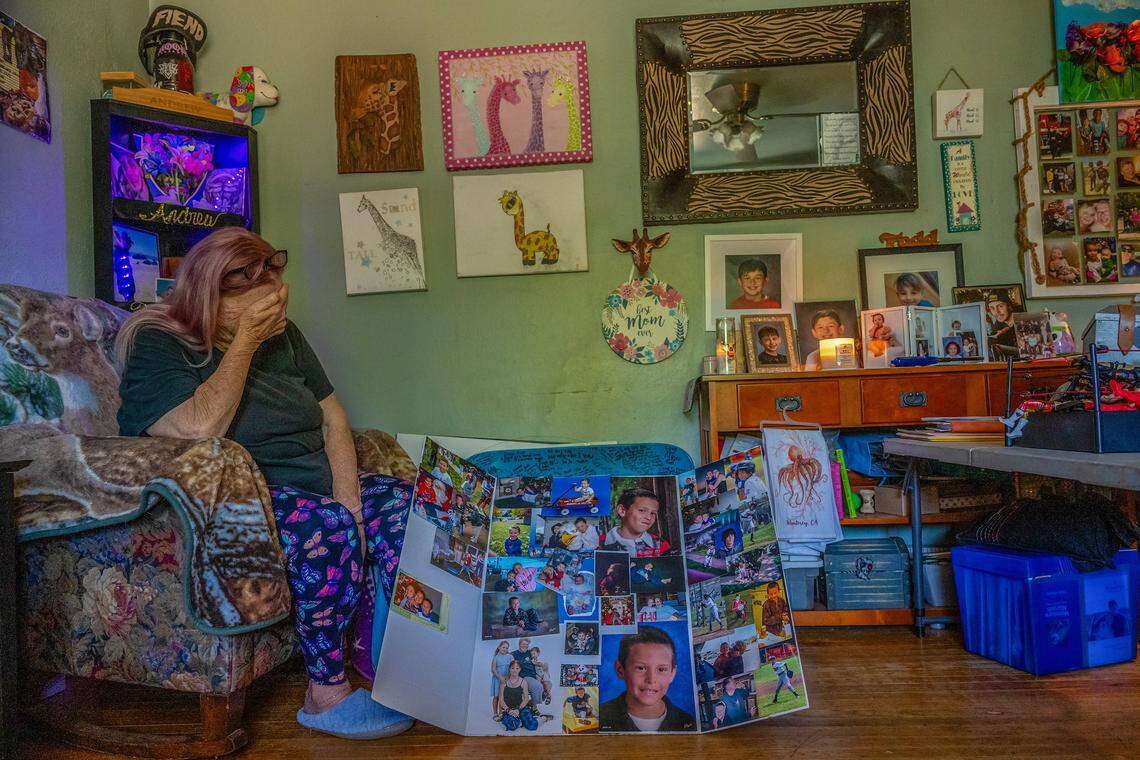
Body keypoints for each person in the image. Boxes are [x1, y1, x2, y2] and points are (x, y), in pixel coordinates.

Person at [115, 228, 412, 740]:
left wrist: (353, 502)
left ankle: (403, 666)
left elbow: (333, 417)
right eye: (252, 288)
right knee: (328, 527)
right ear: (210, 292)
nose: (272, 298)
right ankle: (325, 695)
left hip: (317, 485)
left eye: (274, 279)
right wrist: (245, 342)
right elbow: (195, 428)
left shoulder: (287, 336)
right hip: (240, 497)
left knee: (415, 509)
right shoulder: (158, 341)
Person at [599, 626, 696, 732]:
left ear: (672, 673)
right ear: (620, 670)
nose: (651, 679)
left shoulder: (689, 722)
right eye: (641, 668)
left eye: (661, 669)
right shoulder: (598, 717)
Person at [602, 488, 673, 557]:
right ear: (622, 511)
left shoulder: (662, 546)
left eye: (653, 513)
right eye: (642, 510)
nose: (648, 517)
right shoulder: (598, 543)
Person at [496, 660, 539, 731]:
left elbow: (526, 699)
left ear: (520, 669)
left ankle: (540, 718)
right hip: (508, 709)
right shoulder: (504, 682)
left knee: (532, 726)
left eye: (517, 668)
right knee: (512, 725)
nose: (514, 670)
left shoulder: (523, 682)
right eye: (512, 668)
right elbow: (501, 700)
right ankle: (520, 721)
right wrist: (509, 710)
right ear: (509, 669)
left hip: (520, 708)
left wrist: (518, 710)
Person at [491, 640, 514, 715]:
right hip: (498, 679)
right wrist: (500, 677)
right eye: (503, 647)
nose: (505, 649)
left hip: (507, 678)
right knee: (496, 696)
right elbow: (493, 669)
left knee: (503, 696)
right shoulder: (496, 657)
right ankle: (495, 713)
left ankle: (501, 713)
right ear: (499, 647)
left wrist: (507, 676)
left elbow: (513, 667)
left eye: (507, 648)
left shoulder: (510, 656)